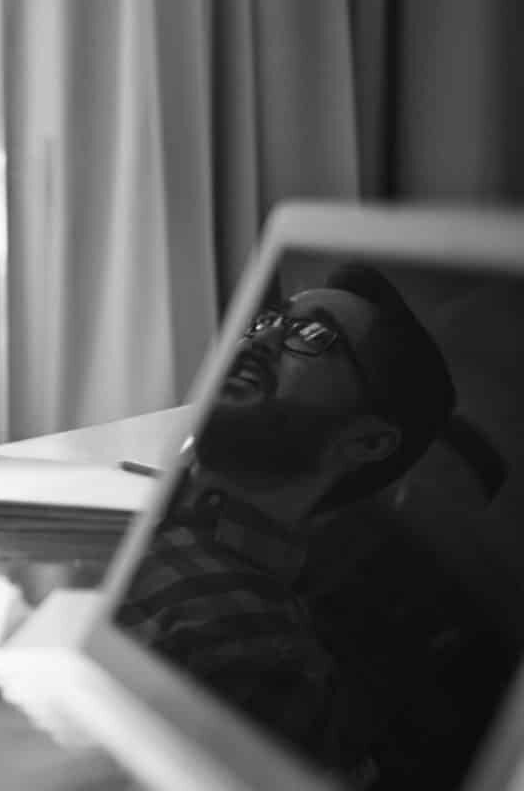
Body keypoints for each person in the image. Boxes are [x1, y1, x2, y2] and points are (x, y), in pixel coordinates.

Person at [117, 264, 458, 780]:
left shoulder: (257, 653)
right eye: (270, 319)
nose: (266, 334)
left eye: (315, 336)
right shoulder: (125, 500)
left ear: (366, 441)